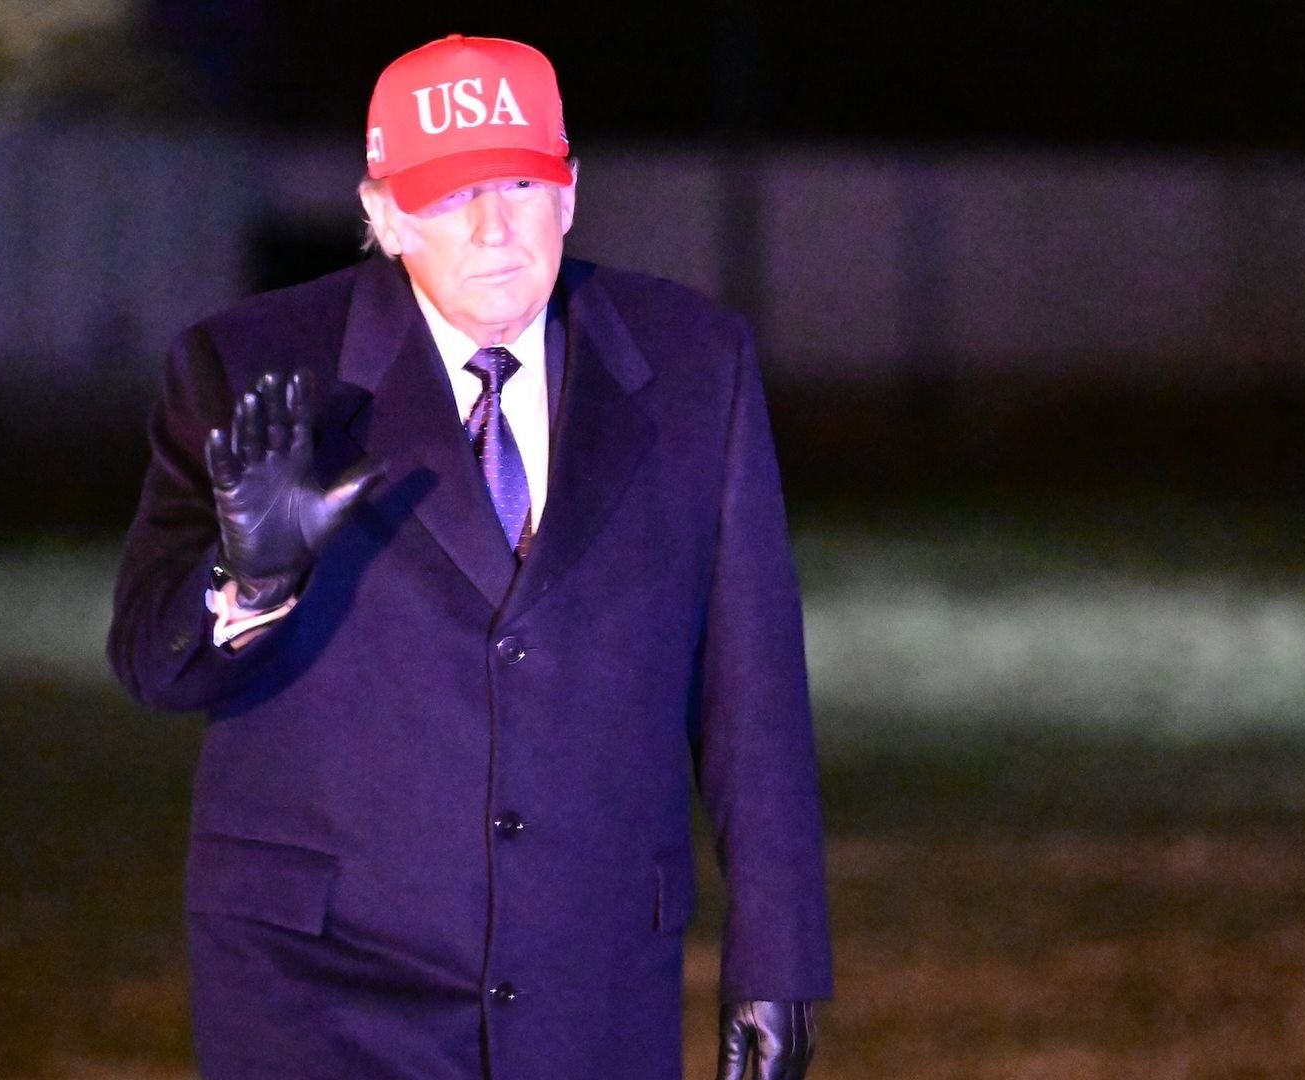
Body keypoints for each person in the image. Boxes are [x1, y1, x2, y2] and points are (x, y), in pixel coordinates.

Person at [108, 33, 831, 1080]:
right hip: (320, 992)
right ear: (384, 213)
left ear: (571, 191)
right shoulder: (250, 368)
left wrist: (781, 961)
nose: (497, 229)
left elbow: (753, 694)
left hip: (594, 983)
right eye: (453, 195)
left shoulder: (694, 365)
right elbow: (149, 656)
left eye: (524, 184)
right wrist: (249, 582)